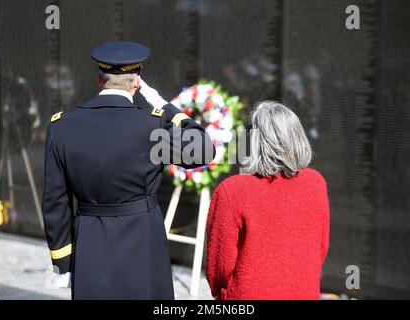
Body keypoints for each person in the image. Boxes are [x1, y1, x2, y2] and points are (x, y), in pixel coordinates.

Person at [42, 41, 215, 299]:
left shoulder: (62, 126)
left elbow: (55, 203)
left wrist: (63, 264)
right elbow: (203, 149)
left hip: (90, 241)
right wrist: (164, 105)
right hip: (142, 240)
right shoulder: (152, 126)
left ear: (100, 80)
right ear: (136, 83)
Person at [205, 100, 329, 300]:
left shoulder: (233, 191)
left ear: (255, 142)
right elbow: (320, 250)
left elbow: (219, 267)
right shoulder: (316, 183)